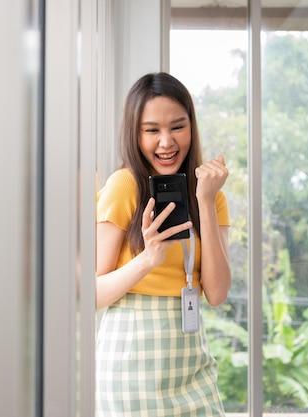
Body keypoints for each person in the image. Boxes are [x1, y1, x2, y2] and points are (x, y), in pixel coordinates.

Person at [95, 72, 231, 416]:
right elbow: (91, 294)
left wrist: (203, 199)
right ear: (135, 133)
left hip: (191, 359)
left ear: (192, 127)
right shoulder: (124, 186)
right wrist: (147, 259)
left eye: (177, 127)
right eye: (151, 130)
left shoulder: (211, 196)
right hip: (130, 364)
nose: (166, 142)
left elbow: (215, 294)